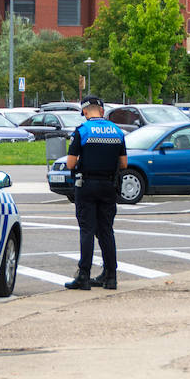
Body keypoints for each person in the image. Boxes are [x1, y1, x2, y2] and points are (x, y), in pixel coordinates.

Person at [63, 96, 127, 290]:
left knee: (87, 230)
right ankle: (110, 276)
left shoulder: (82, 131)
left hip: (87, 185)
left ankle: (84, 275)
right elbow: (123, 164)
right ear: (101, 111)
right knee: (106, 231)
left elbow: (70, 163)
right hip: (109, 186)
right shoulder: (117, 132)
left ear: (84, 112)